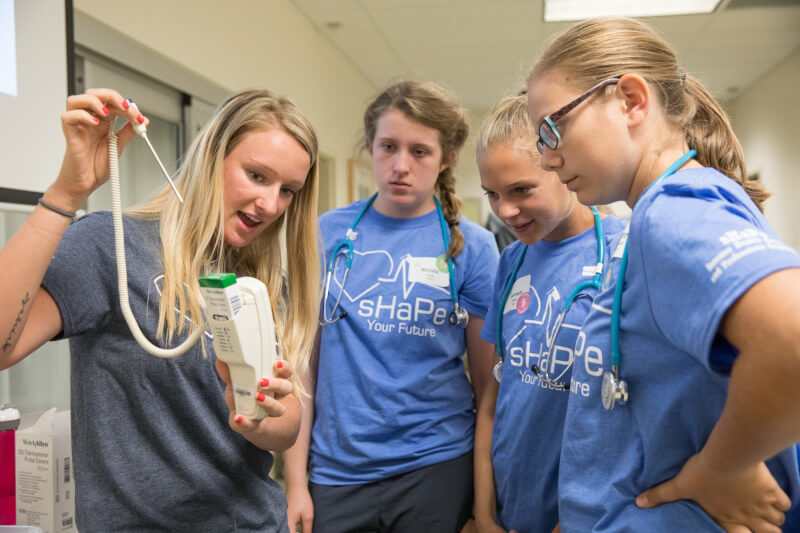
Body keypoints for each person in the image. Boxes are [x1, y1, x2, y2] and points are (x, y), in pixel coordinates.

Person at [0, 87, 321, 531]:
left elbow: (285, 428)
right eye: (257, 176)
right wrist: (66, 193)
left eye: (288, 191)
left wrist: (257, 418)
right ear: (213, 159)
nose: (270, 205)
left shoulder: (259, 284)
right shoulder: (109, 246)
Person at [525, 17, 800, 532]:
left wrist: (720, 468)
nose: (546, 157)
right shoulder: (655, 214)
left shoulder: (673, 210)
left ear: (631, 100)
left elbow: (791, 341)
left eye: (552, 127)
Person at [284, 80, 500, 533]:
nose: (400, 166)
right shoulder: (326, 233)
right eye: (388, 147)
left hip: (436, 465)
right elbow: (303, 366)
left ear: (447, 159)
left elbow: (488, 391)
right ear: (370, 148)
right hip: (338, 471)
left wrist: (485, 505)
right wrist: (295, 483)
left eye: (420, 151)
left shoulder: (473, 248)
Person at [473, 94, 626, 533]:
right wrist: (485, 513)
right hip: (510, 503)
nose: (504, 212)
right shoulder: (512, 261)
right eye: (492, 194)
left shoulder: (624, 253)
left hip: (590, 513)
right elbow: (495, 395)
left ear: (560, 166)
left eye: (521, 190)